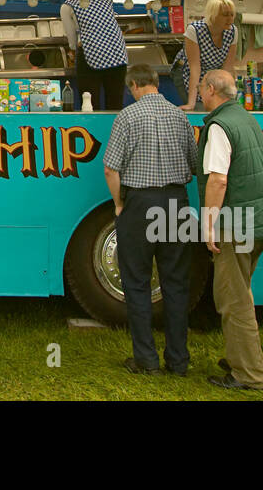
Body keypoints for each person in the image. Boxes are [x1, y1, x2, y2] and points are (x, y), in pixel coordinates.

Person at [102, 63, 198, 375]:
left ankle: (146, 359)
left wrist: (119, 204)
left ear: (132, 86)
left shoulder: (127, 116)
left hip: (140, 204)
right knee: (176, 283)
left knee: (138, 283)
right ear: (157, 83)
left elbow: (110, 168)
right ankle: (178, 360)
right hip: (176, 201)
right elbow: (194, 163)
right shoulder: (180, 116)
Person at [196, 70, 263, 391]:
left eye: (201, 88)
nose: (200, 95)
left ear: (211, 89)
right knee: (240, 292)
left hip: (235, 223)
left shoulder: (219, 126)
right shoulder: (245, 118)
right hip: (257, 220)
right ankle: (241, 358)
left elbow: (218, 179)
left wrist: (209, 224)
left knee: (233, 300)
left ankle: (248, 374)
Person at [60, 0, 128, 110]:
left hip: (90, 53)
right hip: (117, 52)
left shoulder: (67, 5)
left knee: (89, 103)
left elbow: (72, 40)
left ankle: (92, 128)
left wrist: (73, 52)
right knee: (115, 103)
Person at [171, 0, 238, 111]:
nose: (230, 19)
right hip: (186, 72)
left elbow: (227, 68)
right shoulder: (194, 30)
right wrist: (191, 104)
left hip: (211, 74)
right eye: (225, 15)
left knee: (218, 107)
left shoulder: (233, 31)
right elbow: (195, 68)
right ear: (214, 15)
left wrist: (229, 99)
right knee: (199, 108)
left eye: (232, 14)